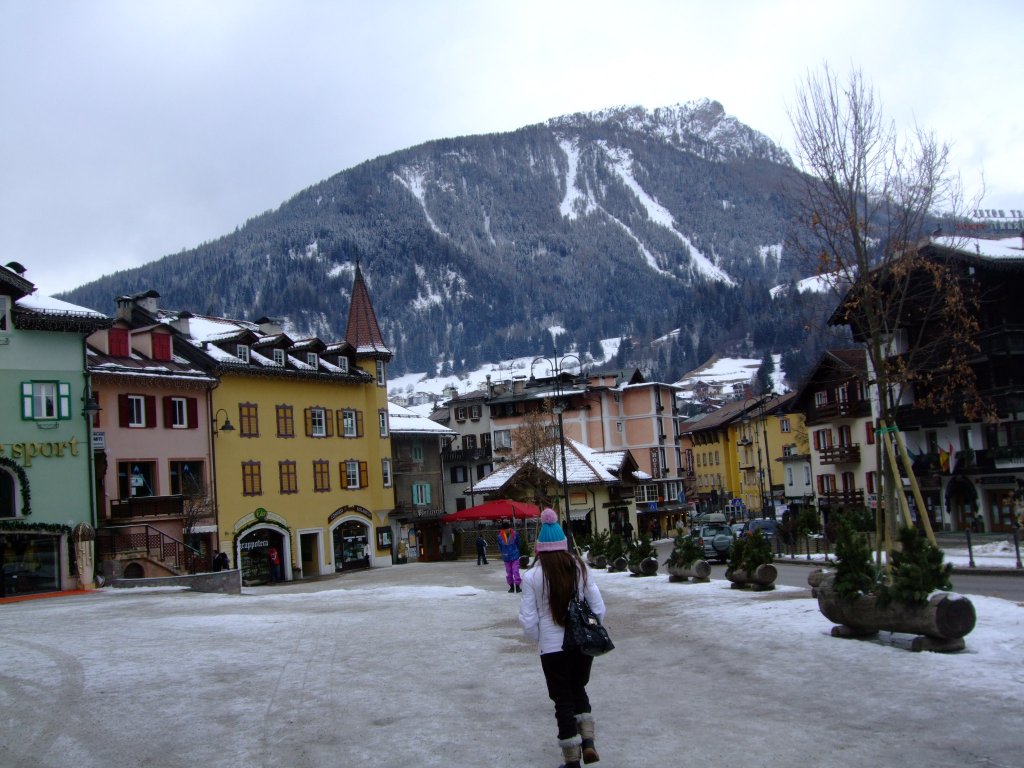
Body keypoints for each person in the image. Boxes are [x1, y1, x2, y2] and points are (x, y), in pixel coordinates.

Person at [519, 508, 605, 768]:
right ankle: (588, 742)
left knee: (562, 700)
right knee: (578, 688)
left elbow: (528, 619)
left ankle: (571, 760)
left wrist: (540, 640)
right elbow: (598, 607)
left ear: (540, 548)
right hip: (580, 643)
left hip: (552, 647)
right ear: (563, 544)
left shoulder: (532, 576)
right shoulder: (579, 567)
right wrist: (591, 628)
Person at [497, 519, 522, 592]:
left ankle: (517, 586)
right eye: (505, 529)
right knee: (509, 572)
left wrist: (516, 550)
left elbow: (518, 543)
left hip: (515, 556)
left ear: (509, 528)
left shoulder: (515, 534)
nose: (506, 530)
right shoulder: (499, 536)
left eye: (507, 529)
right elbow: (500, 546)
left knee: (515, 571)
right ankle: (511, 586)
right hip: (506, 557)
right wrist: (503, 553)